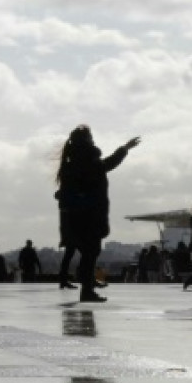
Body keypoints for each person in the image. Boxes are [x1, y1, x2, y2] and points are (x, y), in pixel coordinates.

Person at [55, 125, 140, 303]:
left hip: (73, 218)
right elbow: (110, 163)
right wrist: (125, 148)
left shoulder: (70, 164)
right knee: (90, 254)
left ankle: (86, 287)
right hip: (90, 217)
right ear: (87, 141)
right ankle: (87, 290)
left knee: (87, 254)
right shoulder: (90, 162)